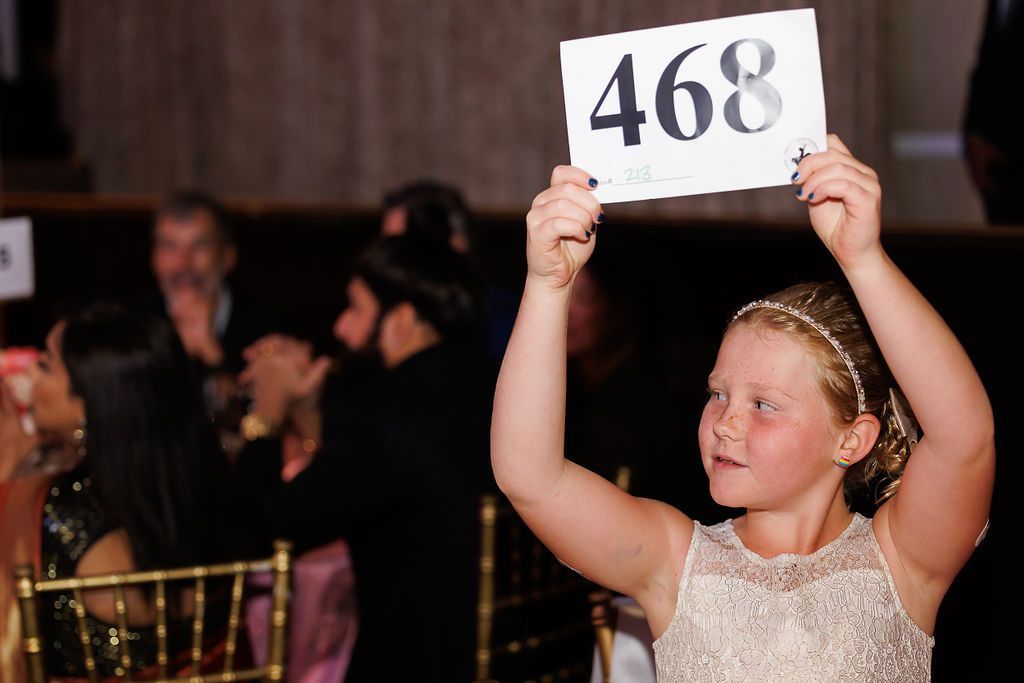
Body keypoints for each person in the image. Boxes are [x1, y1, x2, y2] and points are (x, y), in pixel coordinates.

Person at [491, 135, 994, 680]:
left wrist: (864, 259)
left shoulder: (903, 561)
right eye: (718, 394)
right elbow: (530, 476)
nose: (726, 423)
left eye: (764, 405)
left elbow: (963, 438)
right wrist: (548, 285)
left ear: (852, 438)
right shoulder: (673, 563)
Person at [235, 234, 493, 682]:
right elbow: (356, 486)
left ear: (404, 319)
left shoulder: (390, 413)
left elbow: (266, 529)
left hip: (413, 663)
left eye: (356, 308)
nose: (340, 328)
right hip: (506, 652)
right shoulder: (489, 382)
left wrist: (266, 417)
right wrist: (309, 415)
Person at [0, 305, 236, 679]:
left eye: (44, 365)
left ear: (88, 404)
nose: (29, 376)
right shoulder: (208, 485)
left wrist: (10, 478)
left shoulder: (63, 511)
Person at [151, 191, 277, 375]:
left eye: (200, 246)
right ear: (153, 258)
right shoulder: (131, 325)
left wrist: (213, 357)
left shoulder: (265, 328)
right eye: (169, 246)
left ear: (228, 256)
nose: (183, 263)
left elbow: (267, 402)